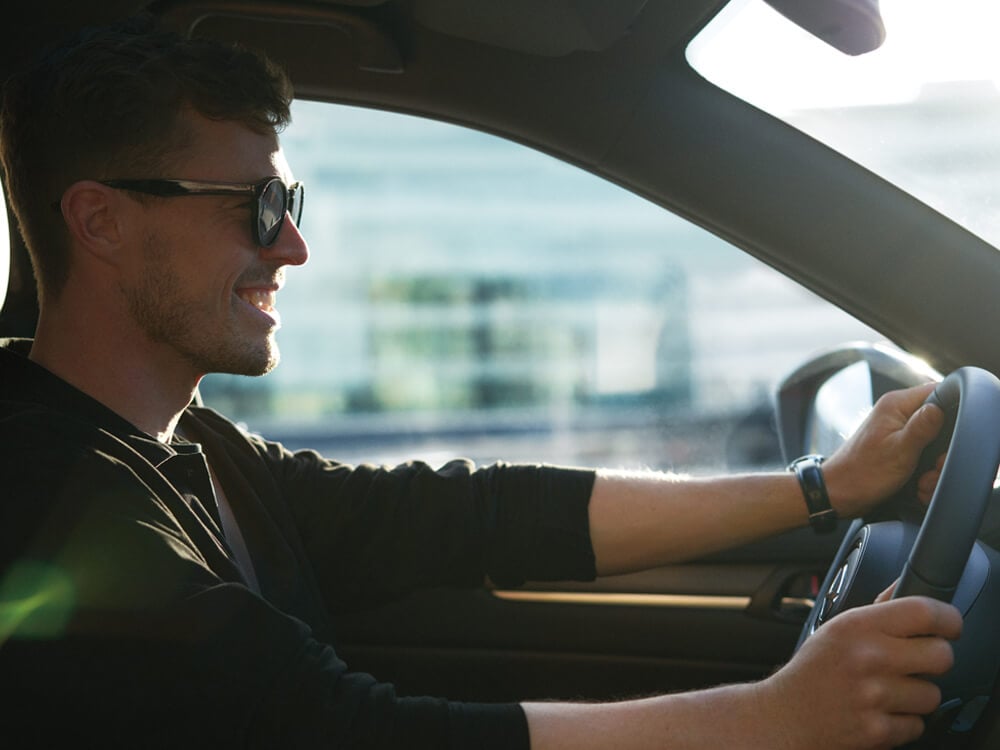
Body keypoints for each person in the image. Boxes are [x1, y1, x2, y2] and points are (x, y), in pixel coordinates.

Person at [0, 16, 957, 750]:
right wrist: (770, 719)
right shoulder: (40, 503)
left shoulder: (193, 447)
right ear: (102, 222)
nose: (292, 244)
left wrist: (823, 489)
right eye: (254, 205)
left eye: (287, 202)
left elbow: (471, 516)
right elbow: (351, 736)